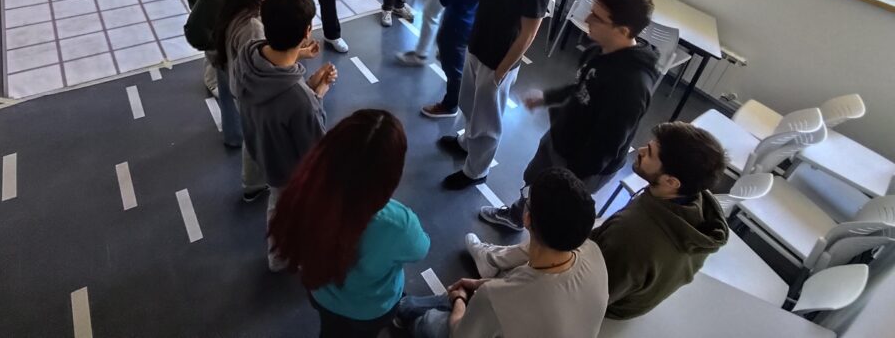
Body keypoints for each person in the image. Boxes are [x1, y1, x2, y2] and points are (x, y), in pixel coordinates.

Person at [465, 122, 729, 320]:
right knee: (552, 236)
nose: (639, 150)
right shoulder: (694, 200)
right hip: (620, 279)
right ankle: (494, 260)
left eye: (649, 153)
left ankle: (497, 270)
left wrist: (504, 290)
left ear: (671, 181)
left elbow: (586, 295)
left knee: (547, 241)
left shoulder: (633, 237)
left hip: (603, 302)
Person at [480, 0, 659, 230]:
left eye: (597, 17)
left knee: (552, 207)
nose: (587, 19)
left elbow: (606, 146)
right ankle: (517, 216)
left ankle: (536, 237)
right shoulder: (600, 50)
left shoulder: (631, 85)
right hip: (562, 138)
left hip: (580, 164)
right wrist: (547, 98)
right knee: (533, 182)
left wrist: (568, 177)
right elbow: (580, 86)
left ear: (623, 30)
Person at [437, 0, 557, 190]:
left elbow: (529, 31)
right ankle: (466, 142)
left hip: (500, 57)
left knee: (487, 120)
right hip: (477, 42)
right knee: (468, 103)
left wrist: (502, 70)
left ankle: (476, 170)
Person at [269, 110, 430, 337]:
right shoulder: (399, 223)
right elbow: (421, 249)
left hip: (322, 296)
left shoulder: (305, 195)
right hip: (371, 310)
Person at [397, 168, 608, 338]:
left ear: (527, 219)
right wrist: (480, 285)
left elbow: (459, 333)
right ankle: (407, 306)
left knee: (430, 322)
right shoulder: (593, 253)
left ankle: (404, 313)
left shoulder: (496, 300)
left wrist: (459, 300)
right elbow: (530, 286)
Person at [233, 0, 338, 271]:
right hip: (289, 172)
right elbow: (314, 150)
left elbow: (275, 93)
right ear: (307, 31)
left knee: (276, 207)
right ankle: (292, 258)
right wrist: (317, 93)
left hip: (260, 148)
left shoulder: (247, 54)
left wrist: (305, 80)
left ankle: (277, 256)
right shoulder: (300, 100)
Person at [212, 0, 287, 202]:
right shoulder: (253, 26)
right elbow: (261, 70)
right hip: (254, 96)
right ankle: (256, 184)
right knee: (260, 139)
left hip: (241, 89)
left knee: (253, 136)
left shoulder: (238, 9)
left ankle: (253, 183)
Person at [184, 0, 247, 145]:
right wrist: (216, 46)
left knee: (229, 93)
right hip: (227, 52)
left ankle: (234, 135)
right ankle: (237, 136)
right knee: (234, 94)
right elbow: (194, 30)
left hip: (225, 51)